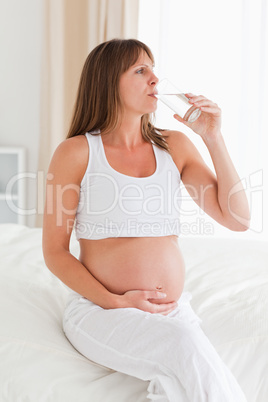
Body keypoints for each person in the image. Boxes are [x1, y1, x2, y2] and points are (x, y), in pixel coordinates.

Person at [42, 38, 250, 402]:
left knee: (182, 379)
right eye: (141, 70)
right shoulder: (76, 152)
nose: (155, 79)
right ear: (109, 82)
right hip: (101, 311)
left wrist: (213, 138)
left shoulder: (175, 146)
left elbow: (237, 220)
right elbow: (55, 252)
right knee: (184, 346)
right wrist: (116, 302)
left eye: (153, 69)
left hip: (172, 312)